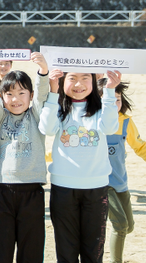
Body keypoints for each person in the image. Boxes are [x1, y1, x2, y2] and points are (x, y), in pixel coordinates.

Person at [40, 69, 122, 263]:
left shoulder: (102, 108)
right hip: (63, 188)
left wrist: (110, 91)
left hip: (96, 188)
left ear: (94, 81)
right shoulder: (58, 107)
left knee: (93, 251)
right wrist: (53, 92)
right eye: (72, 79)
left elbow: (110, 127)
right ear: (62, 81)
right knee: (66, 249)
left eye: (85, 78)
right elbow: (47, 128)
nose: (79, 85)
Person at [0, 53, 50, 263]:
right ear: (2, 97)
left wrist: (43, 71)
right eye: (9, 94)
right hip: (1, 191)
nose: (16, 99)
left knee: (32, 249)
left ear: (30, 95)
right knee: (0, 250)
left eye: (22, 93)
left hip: (32, 191)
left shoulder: (37, 115)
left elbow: (42, 95)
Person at [103, 80, 146, 263]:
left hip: (120, 182)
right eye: (109, 100)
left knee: (129, 227)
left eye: (118, 99)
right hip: (101, 184)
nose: (115, 104)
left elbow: (140, 147)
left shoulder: (126, 123)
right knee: (121, 225)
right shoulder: (94, 123)